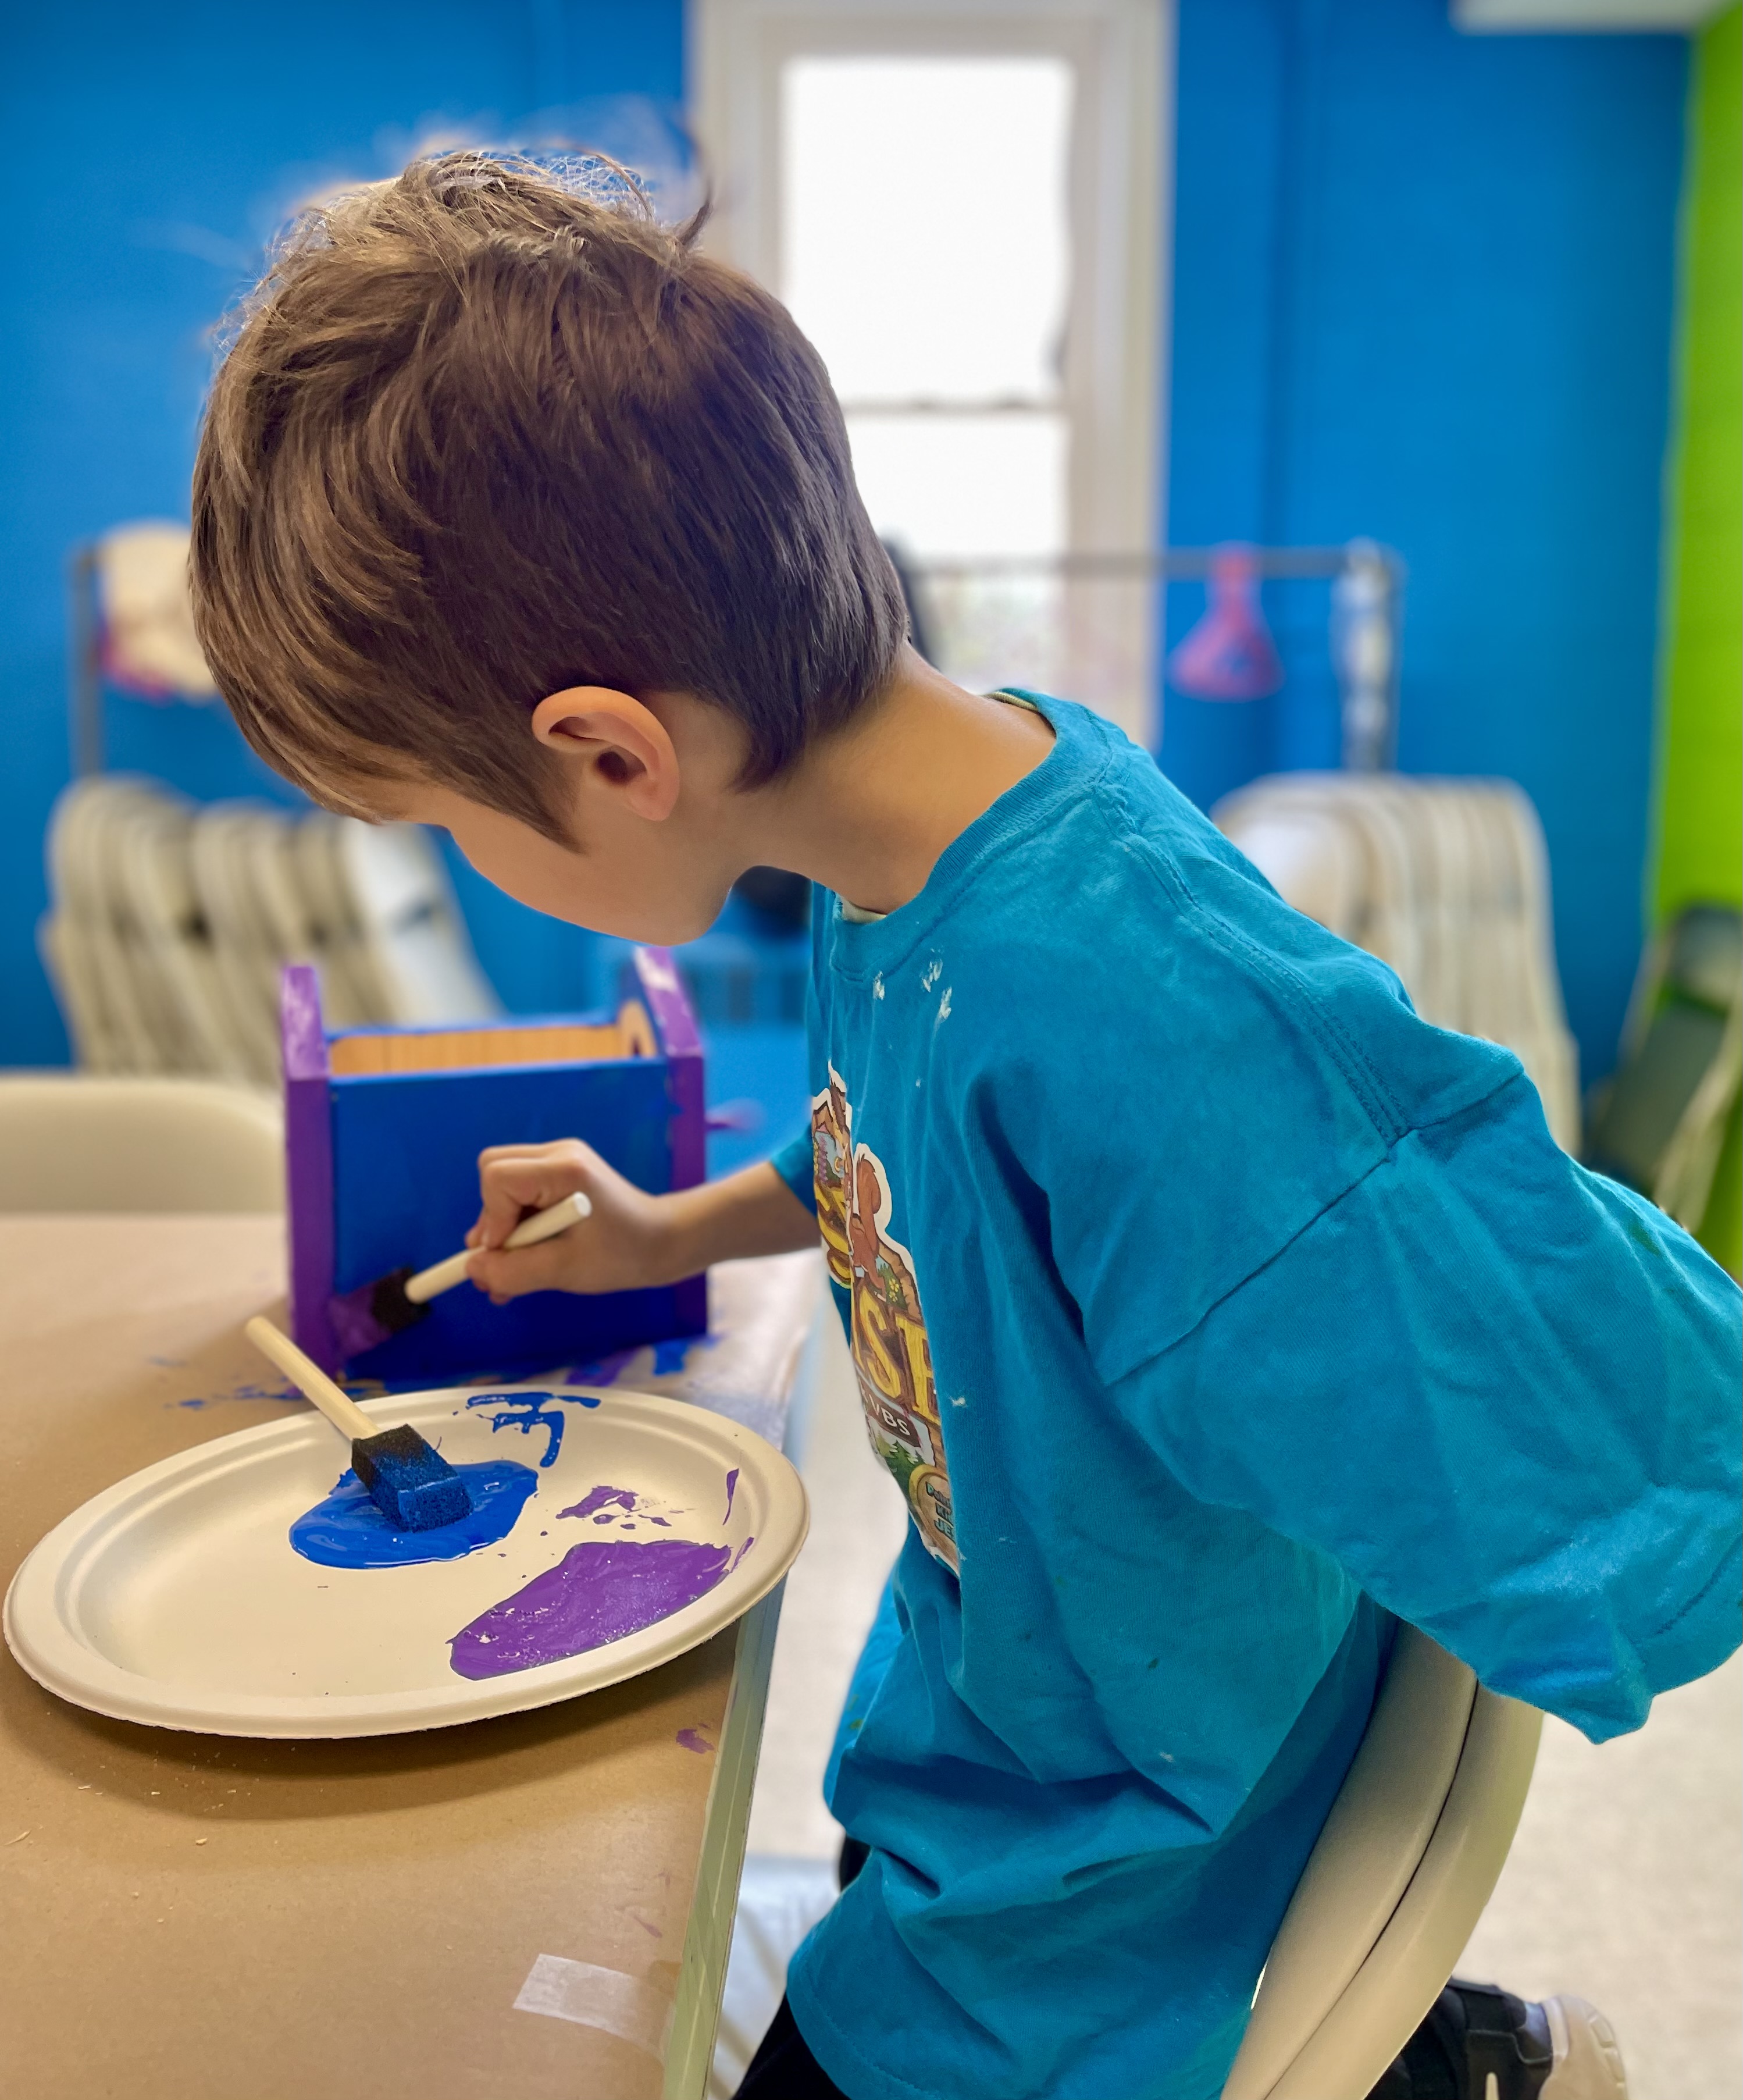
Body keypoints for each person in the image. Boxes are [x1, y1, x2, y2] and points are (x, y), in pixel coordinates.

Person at [189, 151, 1741, 2100]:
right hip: (993, 1712)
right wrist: (671, 1227)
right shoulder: (909, 836)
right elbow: (919, 1157)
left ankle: (1437, 2068)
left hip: (1117, 1862)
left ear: (608, 752)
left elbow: (1601, 1385)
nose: (461, 858)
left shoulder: (1139, 1002)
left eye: (443, 819)